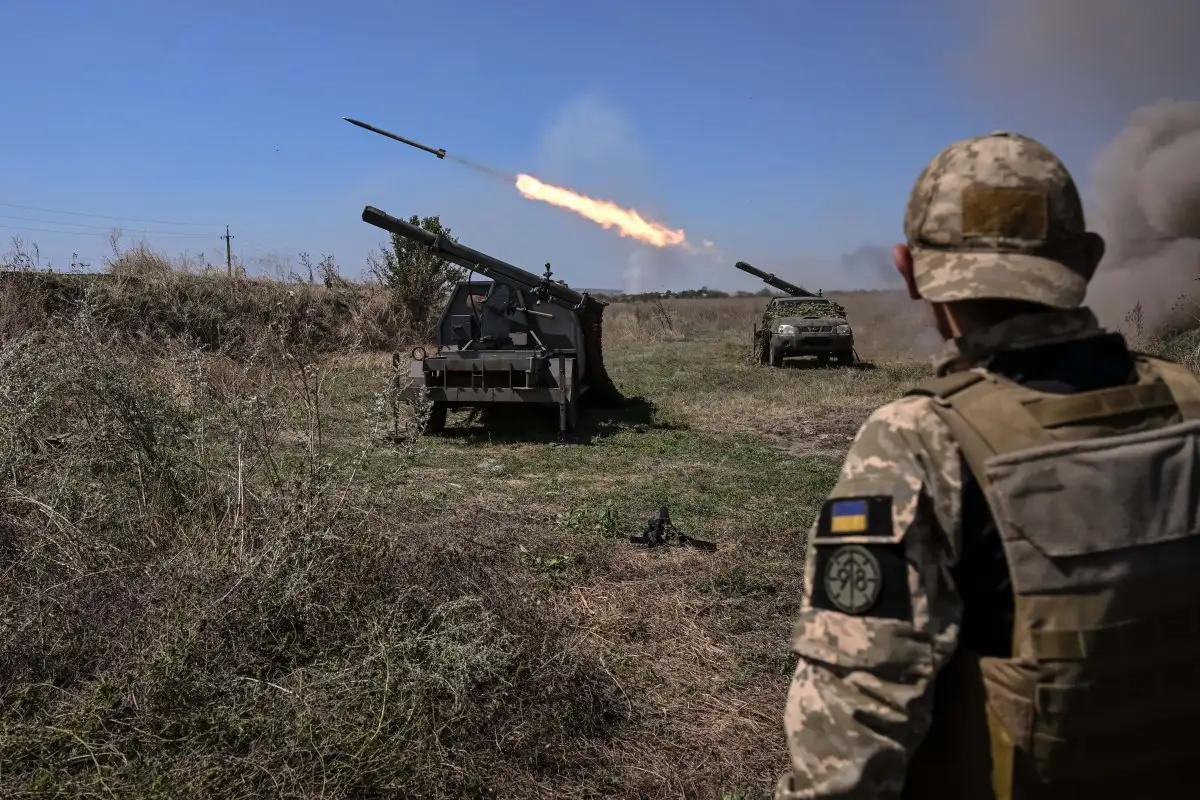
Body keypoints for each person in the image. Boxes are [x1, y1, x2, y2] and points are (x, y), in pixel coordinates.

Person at [775, 130, 1200, 800]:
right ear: (1088, 260)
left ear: (909, 271)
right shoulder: (1189, 405)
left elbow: (849, 736)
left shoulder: (920, 440)